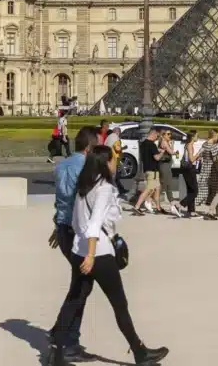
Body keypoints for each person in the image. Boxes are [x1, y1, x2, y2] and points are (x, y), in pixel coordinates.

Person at [49, 145, 169, 366]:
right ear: (105, 163)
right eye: (115, 159)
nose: (117, 162)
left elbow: (77, 222)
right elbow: (94, 224)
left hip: (79, 250)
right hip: (99, 254)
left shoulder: (83, 186)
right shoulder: (103, 188)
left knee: (74, 300)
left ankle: (55, 354)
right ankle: (140, 353)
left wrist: (83, 249)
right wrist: (92, 254)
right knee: (119, 305)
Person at [48, 126, 99, 361]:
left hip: (64, 228)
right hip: (77, 231)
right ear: (89, 147)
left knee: (80, 282)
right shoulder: (87, 168)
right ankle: (68, 342)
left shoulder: (61, 166)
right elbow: (85, 204)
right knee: (82, 284)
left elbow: (62, 201)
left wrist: (58, 227)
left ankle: (59, 332)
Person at [132, 129, 164, 216]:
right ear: (153, 135)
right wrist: (162, 152)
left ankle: (158, 207)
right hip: (152, 170)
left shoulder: (143, 144)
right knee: (149, 189)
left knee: (157, 187)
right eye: (156, 136)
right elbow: (157, 157)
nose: (157, 138)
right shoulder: (152, 145)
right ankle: (137, 206)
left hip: (147, 169)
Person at [156, 129, 181, 216]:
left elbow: (171, 152)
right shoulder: (164, 142)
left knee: (164, 184)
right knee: (166, 184)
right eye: (168, 134)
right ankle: (172, 203)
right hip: (164, 165)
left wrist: (172, 146)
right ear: (163, 135)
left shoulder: (164, 142)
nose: (170, 136)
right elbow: (171, 152)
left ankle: (170, 203)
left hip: (166, 165)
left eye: (170, 134)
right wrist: (173, 147)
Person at [179, 129, 200, 216]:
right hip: (189, 169)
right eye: (196, 136)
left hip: (187, 168)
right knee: (195, 191)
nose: (197, 137)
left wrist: (197, 158)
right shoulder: (190, 146)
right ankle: (179, 205)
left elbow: (189, 158)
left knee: (190, 190)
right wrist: (199, 153)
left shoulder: (188, 145)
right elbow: (191, 159)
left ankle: (191, 211)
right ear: (192, 137)